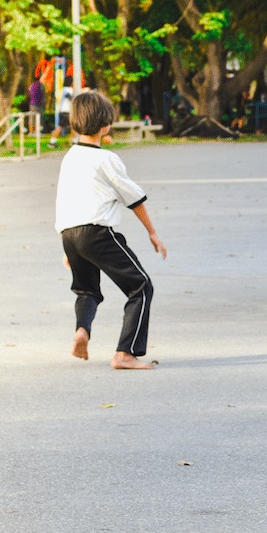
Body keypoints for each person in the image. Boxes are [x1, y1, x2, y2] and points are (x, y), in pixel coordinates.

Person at [55, 90, 167, 370]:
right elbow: (134, 198)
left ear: (74, 122)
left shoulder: (69, 157)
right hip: (97, 233)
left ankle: (82, 330)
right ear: (106, 126)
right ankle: (125, 353)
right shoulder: (106, 159)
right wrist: (152, 232)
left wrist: (68, 246)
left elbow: (65, 201)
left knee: (87, 291)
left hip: (69, 232)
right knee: (141, 287)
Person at [50, 75, 74, 147]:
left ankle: (52, 141)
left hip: (63, 110)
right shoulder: (68, 90)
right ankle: (75, 141)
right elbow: (70, 97)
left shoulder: (63, 89)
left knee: (64, 126)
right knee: (72, 126)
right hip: (66, 111)